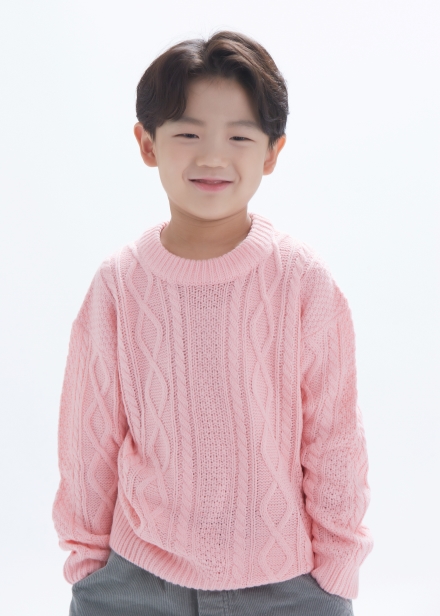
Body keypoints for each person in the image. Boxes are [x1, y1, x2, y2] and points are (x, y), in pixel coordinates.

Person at [52, 30, 373, 616]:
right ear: (147, 143)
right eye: (188, 133)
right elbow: (88, 437)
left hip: (288, 585)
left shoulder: (302, 280)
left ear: (272, 152)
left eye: (239, 137)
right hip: (135, 580)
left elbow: (334, 438)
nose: (212, 156)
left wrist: (336, 571)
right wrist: (88, 563)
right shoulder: (119, 283)